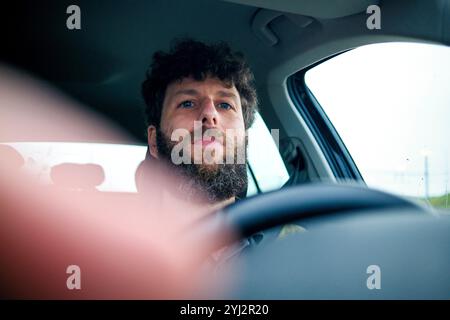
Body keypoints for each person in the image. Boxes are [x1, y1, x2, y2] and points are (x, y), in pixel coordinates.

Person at [139, 38, 258, 214]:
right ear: (154, 141)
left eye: (225, 105)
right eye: (187, 103)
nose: (210, 114)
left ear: (245, 139)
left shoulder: (293, 238)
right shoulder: (107, 241)